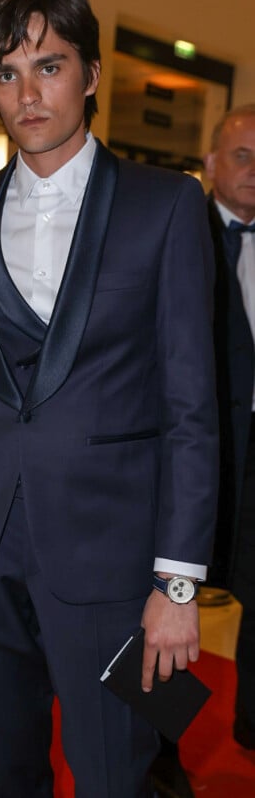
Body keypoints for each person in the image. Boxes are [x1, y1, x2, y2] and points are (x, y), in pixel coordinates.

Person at [0, 0, 218, 798]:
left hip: (112, 556)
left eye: (49, 67)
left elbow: (192, 410)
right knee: (3, 772)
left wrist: (177, 584)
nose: (28, 93)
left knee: (111, 775)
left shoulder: (167, 207)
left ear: (92, 74)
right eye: (7, 73)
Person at [203, 104, 255, 750]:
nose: (253, 171)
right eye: (241, 156)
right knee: (170, 604)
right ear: (211, 163)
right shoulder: (179, 233)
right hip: (200, 450)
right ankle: (155, 754)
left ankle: (251, 724)